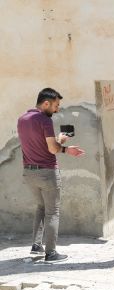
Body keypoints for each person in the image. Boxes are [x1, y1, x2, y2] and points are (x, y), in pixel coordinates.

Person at [17, 88, 85, 263]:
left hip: (29, 172)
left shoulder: (22, 119)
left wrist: (58, 139)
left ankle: (36, 246)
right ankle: (51, 253)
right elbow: (52, 149)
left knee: (40, 208)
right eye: (56, 105)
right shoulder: (44, 120)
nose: (57, 109)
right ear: (46, 103)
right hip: (47, 172)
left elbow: (40, 143)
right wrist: (65, 149)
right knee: (52, 212)